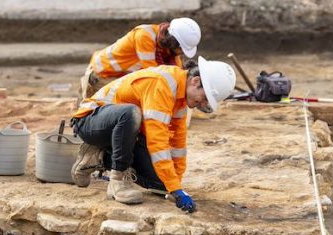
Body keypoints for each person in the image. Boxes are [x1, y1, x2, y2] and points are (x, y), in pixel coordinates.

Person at [70, 57, 236, 213]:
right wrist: (176, 189)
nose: (203, 104)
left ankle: (98, 158)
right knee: (130, 113)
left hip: (124, 134)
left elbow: (177, 143)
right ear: (195, 81)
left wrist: (175, 186)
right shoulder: (162, 84)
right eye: (205, 98)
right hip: (90, 120)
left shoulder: (180, 98)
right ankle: (117, 180)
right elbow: (157, 141)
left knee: (162, 184)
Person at [80, 17, 201, 100]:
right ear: (173, 43)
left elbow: (177, 73)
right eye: (182, 49)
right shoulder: (144, 36)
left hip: (119, 76)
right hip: (101, 75)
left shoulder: (167, 48)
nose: (181, 54)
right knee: (140, 102)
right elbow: (155, 75)